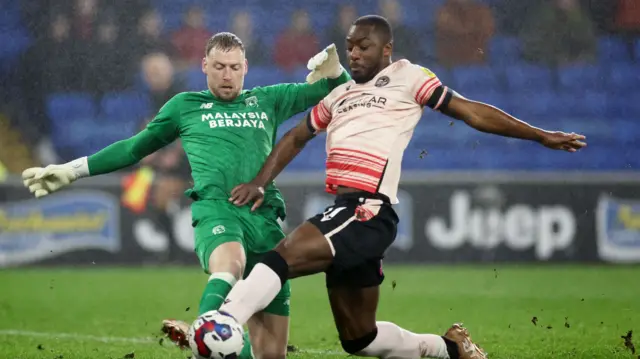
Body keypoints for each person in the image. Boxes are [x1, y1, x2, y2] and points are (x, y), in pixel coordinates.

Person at [218, 15, 587, 359]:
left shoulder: (409, 77)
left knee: (279, 259)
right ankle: (451, 348)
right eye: (350, 47)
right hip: (352, 211)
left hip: (365, 210)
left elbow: (471, 111)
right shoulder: (339, 94)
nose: (355, 54)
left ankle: (222, 322)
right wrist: (260, 183)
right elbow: (297, 137)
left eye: (364, 46)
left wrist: (540, 135)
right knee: (359, 338)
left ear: (387, 49)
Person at [21, 32, 351, 359]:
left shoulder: (269, 99)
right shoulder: (185, 107)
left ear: (246, 67)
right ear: (204, 65)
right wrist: (72, 170)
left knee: (270, 354)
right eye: (219, 66)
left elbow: (339, 91)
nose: (227, 74)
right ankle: (203, 336)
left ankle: (207, 340)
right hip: (216, 211)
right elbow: (134, 148)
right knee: (230, 265)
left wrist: (337, 71)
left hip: (264, 219)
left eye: (235, 67)